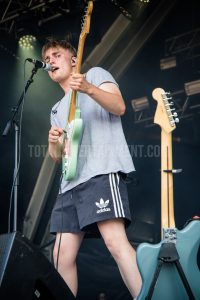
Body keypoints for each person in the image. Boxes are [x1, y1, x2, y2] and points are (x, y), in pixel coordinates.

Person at [42, 37, 142, 299]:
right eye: (47, 59)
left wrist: (87, 87)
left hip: (100, 172)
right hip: (69, 185)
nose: (50, 61)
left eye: (56, 55)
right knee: (61, 256)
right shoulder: (55, 109)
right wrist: (54, 142)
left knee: (115, 243)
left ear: (73, 59)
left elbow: (119, 106)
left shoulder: (95, 74)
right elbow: (58, 157)